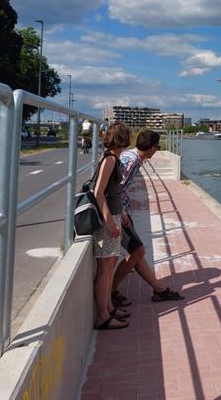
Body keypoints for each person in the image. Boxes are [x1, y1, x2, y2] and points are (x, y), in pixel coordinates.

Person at [111, 130, 183, 306]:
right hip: (117, 212)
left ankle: (159, 289)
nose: (157, 150)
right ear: (152, 148)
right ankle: (110, 291)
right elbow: (113, 188)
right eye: (157, 147)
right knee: (138, 251)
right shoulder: (131, 160)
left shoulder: (133, 157)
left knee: (137, 252)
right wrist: (121, 212)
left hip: (121, 210)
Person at [92, 121, 132, 330]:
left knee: (110, 265)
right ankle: (102, 316)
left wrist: (121, 214)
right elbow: (99, 192)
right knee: (105, 269)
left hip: (115, 215)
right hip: (107, 220)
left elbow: (111, 192)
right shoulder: (109, 160)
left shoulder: (113, 158)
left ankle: (108, 307)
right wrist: (109, 221)